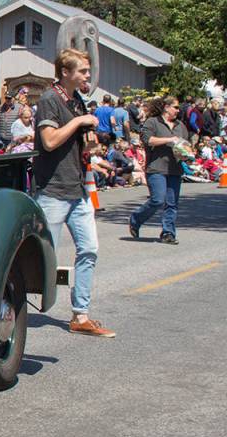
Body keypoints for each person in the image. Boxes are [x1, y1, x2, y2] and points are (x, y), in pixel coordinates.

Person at [34, 49, 113, 338]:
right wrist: (80, 122)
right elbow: (50, 140)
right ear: (65, 72)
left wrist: (94, 148)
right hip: (54, 190)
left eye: (88, 72)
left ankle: (81, 315)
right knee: (42, 258)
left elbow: (80, 145)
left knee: (89, 249)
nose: (87, 76)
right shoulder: (49, 100)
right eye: (82, 71)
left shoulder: (77, 101)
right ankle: (10, 306)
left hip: (78, 189)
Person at [129, 96, 189, 245]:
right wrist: (170, 139)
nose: (178, 110)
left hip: (175, 168)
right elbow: (147, 140)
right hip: (156, 168)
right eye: (175, 107)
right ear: (166, 107)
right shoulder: (152, 122)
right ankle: (136, 219)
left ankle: (168, 233)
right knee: (157, 199)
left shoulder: (180, 125)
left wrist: (188, 154)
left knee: (172, 203)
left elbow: (185, 145)